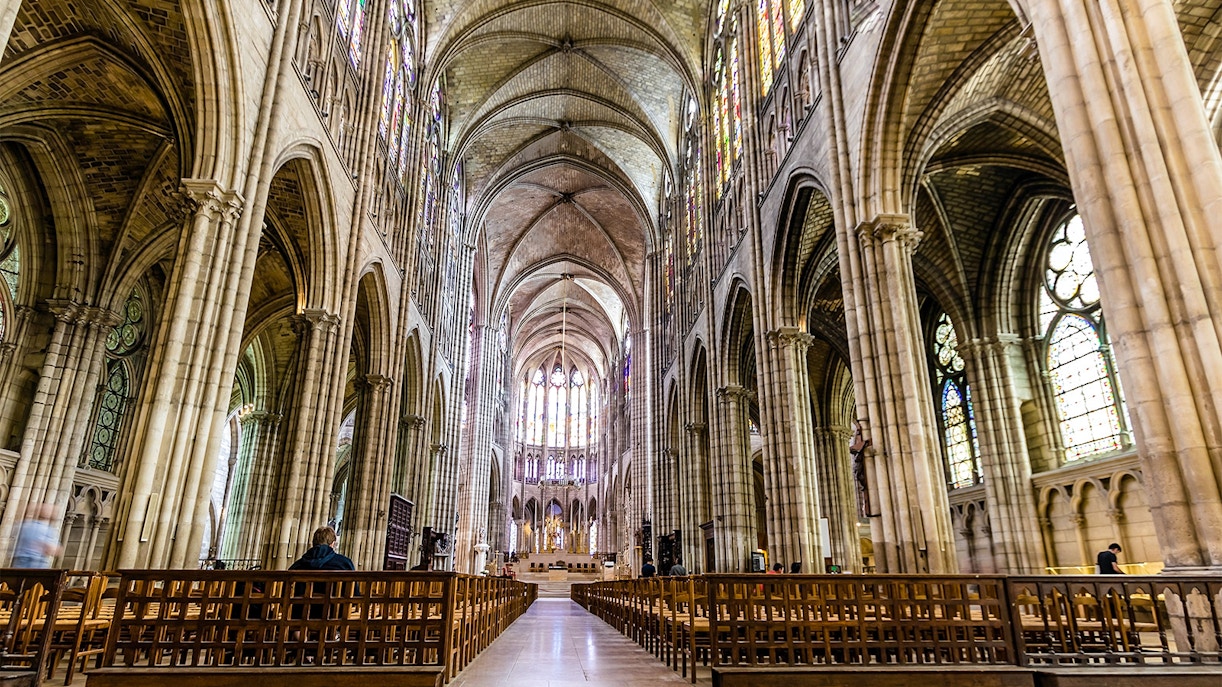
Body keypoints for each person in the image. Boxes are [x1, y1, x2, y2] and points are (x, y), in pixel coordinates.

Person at [12, 503, 63, 568]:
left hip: (19, 562)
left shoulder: (24, 525)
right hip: (37, 564)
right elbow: (53, 550)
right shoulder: (48, 530)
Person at [289, 526, 355, 571]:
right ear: (332, 544)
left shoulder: (297, 566)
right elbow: (354, 590)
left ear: (313, 543)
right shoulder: (345, 564)